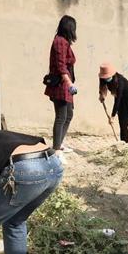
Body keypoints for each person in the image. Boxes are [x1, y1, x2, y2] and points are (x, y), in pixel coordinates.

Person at [45, 15, 78, 155]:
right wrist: (69, 82)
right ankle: (56, 149)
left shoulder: (65, 42)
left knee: (69, 114)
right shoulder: (59, 41)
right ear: (69, 27)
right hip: (61, 84)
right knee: (61, 116)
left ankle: (60, 143)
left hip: (66, 83)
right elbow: (60, 65)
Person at [98, 62, 128, 143]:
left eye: (107, 76)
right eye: (105, 77)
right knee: (121, 124)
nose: (106, 78)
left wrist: (112, 116)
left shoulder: (120, 82)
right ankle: (122, 143)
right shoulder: (103, 78)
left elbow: (117, 100)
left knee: (124, 125)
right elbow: (102, 87)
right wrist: (102, 95)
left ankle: (125, 145)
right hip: (121, 102)